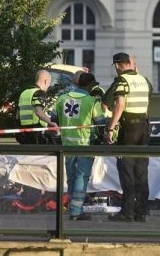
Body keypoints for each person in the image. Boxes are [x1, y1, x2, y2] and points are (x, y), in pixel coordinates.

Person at [106, 52, 152, 222]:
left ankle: (127, 212)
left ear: (118, 65)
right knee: (141, 171)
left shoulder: (122, 81)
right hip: (143, 127)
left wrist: (111, 128)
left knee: (127, 171)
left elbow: (120, 105)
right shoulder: (143, 80)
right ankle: (142, 211)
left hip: (129, 129)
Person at [53, 72, 106, 220]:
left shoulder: (62, 98)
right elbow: (101, 123)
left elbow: (53, 119)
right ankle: (76, 211)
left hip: (66, 145)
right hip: (85, 144)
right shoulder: (92, 101)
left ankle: (72, 208)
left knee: (70, 178)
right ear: (90, 85)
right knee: (81, 177)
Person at [16, 70, 58, 144]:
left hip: (23, 133)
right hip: (36, 132)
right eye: (49, 83)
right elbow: (38, 112)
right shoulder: (39, 93)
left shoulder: (24, 93)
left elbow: (17, 115)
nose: (48, 86)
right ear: (45, 81)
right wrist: (52, 123)